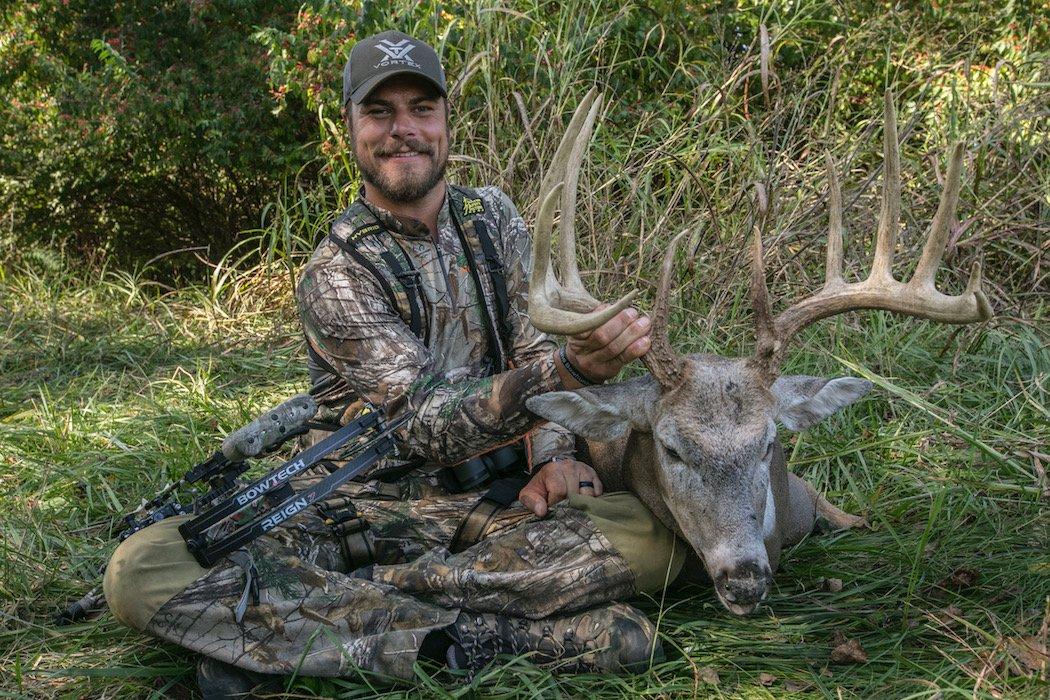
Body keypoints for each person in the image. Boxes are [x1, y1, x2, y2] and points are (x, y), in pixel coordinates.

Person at [103, 31, 684, 697]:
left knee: (653, 535)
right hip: (363, 517)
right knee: (142, 569)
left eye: (421, 109)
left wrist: (553, 454)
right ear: (349, 126)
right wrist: (571, 374)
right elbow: (424, 423)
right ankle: (474, 641)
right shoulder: (336, 271)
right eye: (379, 112)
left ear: (445, 122)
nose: (402, 130)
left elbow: (531, 349)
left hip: (493, 511)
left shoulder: (494, 216)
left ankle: (331, 624)